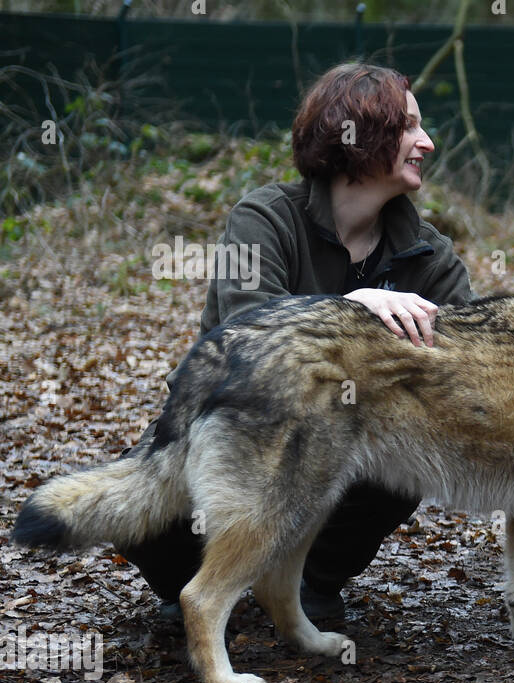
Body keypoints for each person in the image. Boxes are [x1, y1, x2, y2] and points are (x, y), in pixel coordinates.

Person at [119, 62, 475, 622]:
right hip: (235, 433)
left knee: (405, 459)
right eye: (409, 127)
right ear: (359, 134)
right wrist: (354, 307)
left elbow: (468, 358)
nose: (426, 143)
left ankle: (310, 585)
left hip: (354, 447)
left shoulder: (428, 254)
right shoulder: (265, 217)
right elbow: (244, 334)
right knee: (136, 511)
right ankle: (211, 585)